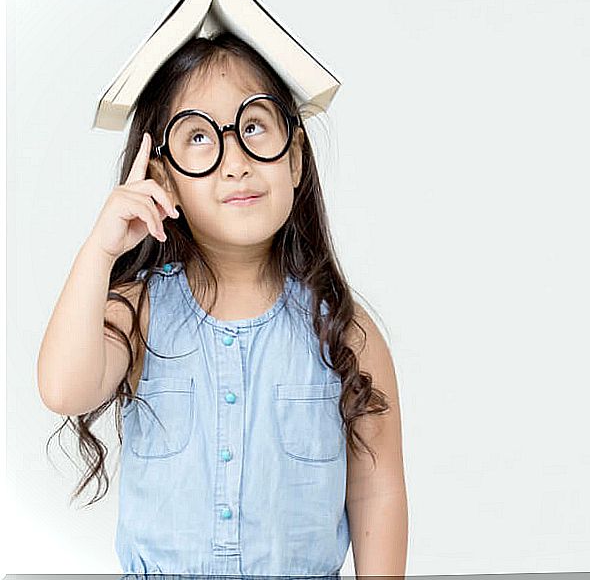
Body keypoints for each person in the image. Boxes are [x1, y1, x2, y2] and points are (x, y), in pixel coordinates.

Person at [37, 32, 408, 577]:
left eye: (254, 127)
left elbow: (378, 491)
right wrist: (100, 249)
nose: (235, 162)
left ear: (296, 159)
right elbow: (62, 389)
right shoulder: (137, 313)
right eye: (199, 138)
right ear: (163, 180)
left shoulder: (346, 333)